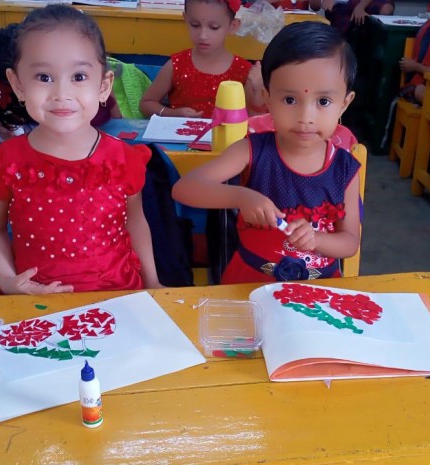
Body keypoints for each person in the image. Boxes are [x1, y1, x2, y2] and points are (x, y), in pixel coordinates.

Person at [0, 5, 161, 295]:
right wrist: (8, 280)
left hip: (117, 296)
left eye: (79, 77)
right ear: (18, 85)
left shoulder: (123, 159)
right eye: (44, 77)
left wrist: (152, 282)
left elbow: (135, 222)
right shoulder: (7, 162)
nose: (62, 94)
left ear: (104, 86)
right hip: (33, 300)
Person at [172, 22, 361, 284]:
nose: (305, 117)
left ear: (344, 104)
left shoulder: (345, 168)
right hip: (247, 282)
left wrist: (317, 239)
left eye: (323, 101)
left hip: (318, 289)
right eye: (290, 100)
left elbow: (350, 242)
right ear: (268, 98)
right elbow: (184, 188)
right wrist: (241, 197)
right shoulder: (251, 150)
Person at [0, 23, 121, 142]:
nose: (61, 94)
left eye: (45, 78)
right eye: (43, 78)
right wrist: (3, 121)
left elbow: (116, 120)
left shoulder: (83, 99)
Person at [139, 0, 265, 119]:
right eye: (195, 25)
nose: (203, 35)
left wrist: (258, 90)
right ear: (186, 19)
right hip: (178, 134)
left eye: (214, 27)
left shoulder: (246, 72)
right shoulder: (176, 65)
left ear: (233, 26)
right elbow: (146, 103)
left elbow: (256, 120)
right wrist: (172, 114)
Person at [308, 0, 394, 37]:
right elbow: (315, 7)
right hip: (340, 6)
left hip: (362, 2)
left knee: (386, 9)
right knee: (344, 25)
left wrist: (360, 7)